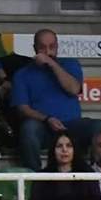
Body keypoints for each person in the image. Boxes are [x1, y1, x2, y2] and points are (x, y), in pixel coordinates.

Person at [12, 28, 95, 171]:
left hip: (71, 126)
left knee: (100, 127)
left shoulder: (70, 64)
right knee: (28, 129)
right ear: (34, 49)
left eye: (52, 47)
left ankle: (95, 175)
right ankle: (34, 179)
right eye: (42, 47)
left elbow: (74, 89)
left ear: (57, 47)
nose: (48, 51)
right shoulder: (22, 74)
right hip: (43, 127)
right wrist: (47, 119)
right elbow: (22, 109)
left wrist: (52, 64)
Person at [30, 131, 101, 200]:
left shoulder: (88, 174)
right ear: (53, 150)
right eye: (59, 146)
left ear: (74, 149)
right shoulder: (41, 176)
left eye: (69, 146)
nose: (64, 150)